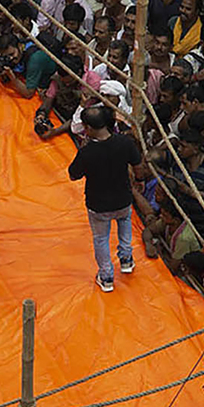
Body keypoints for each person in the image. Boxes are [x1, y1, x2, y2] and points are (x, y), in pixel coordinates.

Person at [67, 105, 143, 292]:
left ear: (88, 128)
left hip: (98, 204)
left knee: (101, 238)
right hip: (123, 198)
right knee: (125, 223)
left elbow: (73, 174)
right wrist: (139, 180)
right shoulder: (125, 143)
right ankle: (126, 259)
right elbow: (138, 164)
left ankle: (107, 276)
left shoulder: (87, 152)